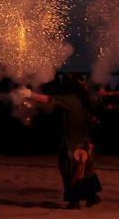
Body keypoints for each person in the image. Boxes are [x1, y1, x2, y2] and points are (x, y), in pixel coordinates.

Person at [23, 74, 103, 209]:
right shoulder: (82, 99)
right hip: (85, 143)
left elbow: (48, 99)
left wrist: (29, 94)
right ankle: (91, 196)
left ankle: (75, 201)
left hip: (72, 145)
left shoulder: (71, 99)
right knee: (85, 171)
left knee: (70, 171)